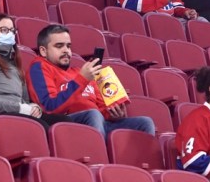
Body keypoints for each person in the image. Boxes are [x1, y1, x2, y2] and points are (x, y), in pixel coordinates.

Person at [26, 24, 155, 139]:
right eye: (59, 46)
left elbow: (101, 109)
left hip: (98, 123)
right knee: (93, 115)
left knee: (145, 123)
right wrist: (82, 80)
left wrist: (113, 114)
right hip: (67, 123)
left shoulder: (79, 72)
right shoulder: (39, 66)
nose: (66, 50)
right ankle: (100, 163)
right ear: (43, 50)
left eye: (68, 46)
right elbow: (49, 107)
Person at [0, 13, 71, 134]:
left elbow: (24, 101)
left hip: (15, 113)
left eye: (12, 31)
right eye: (4, 30)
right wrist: (18, 108)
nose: (9, 34)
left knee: (65, 123)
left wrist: (34, 108)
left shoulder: (15, 65)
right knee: (41, 128)